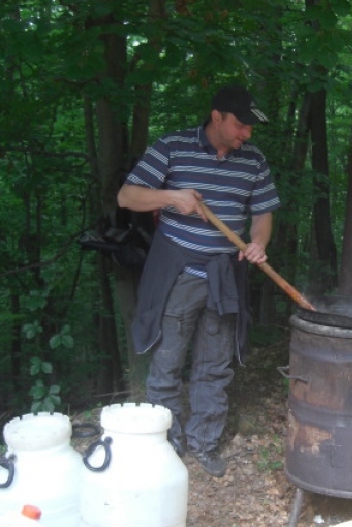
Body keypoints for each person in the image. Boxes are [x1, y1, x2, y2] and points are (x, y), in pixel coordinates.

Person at [118, 84, 280, 477]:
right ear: (217, 117)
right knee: (168, 360)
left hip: (226, 273)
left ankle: (204, 442)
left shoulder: (253, 160)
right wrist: (171, 198)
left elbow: (262, 214)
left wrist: (258, 243)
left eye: (250, 128)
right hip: (179, 273)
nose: (247, 134)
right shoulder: (173, 147)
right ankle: (166, 444)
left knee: (215, 363)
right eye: (241, 125)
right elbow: (127, 196)